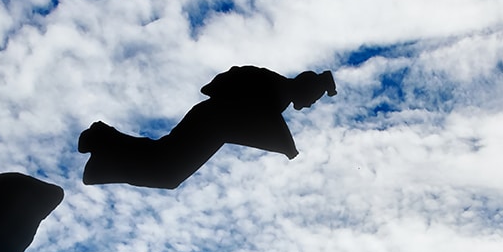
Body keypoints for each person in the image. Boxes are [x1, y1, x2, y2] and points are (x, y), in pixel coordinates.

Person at [79, 67, 337, 189]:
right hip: (211, 122)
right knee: (165, 167)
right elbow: (267, 118)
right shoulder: (275, 88)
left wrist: (285, 146)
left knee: (166, 170)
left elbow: (266, 121)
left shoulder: (278, 93)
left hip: (215, 128)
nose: (310, 105)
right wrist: (288, 147)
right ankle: (103, 141)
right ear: (305, 86)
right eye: (313, 99)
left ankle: (104, 154)